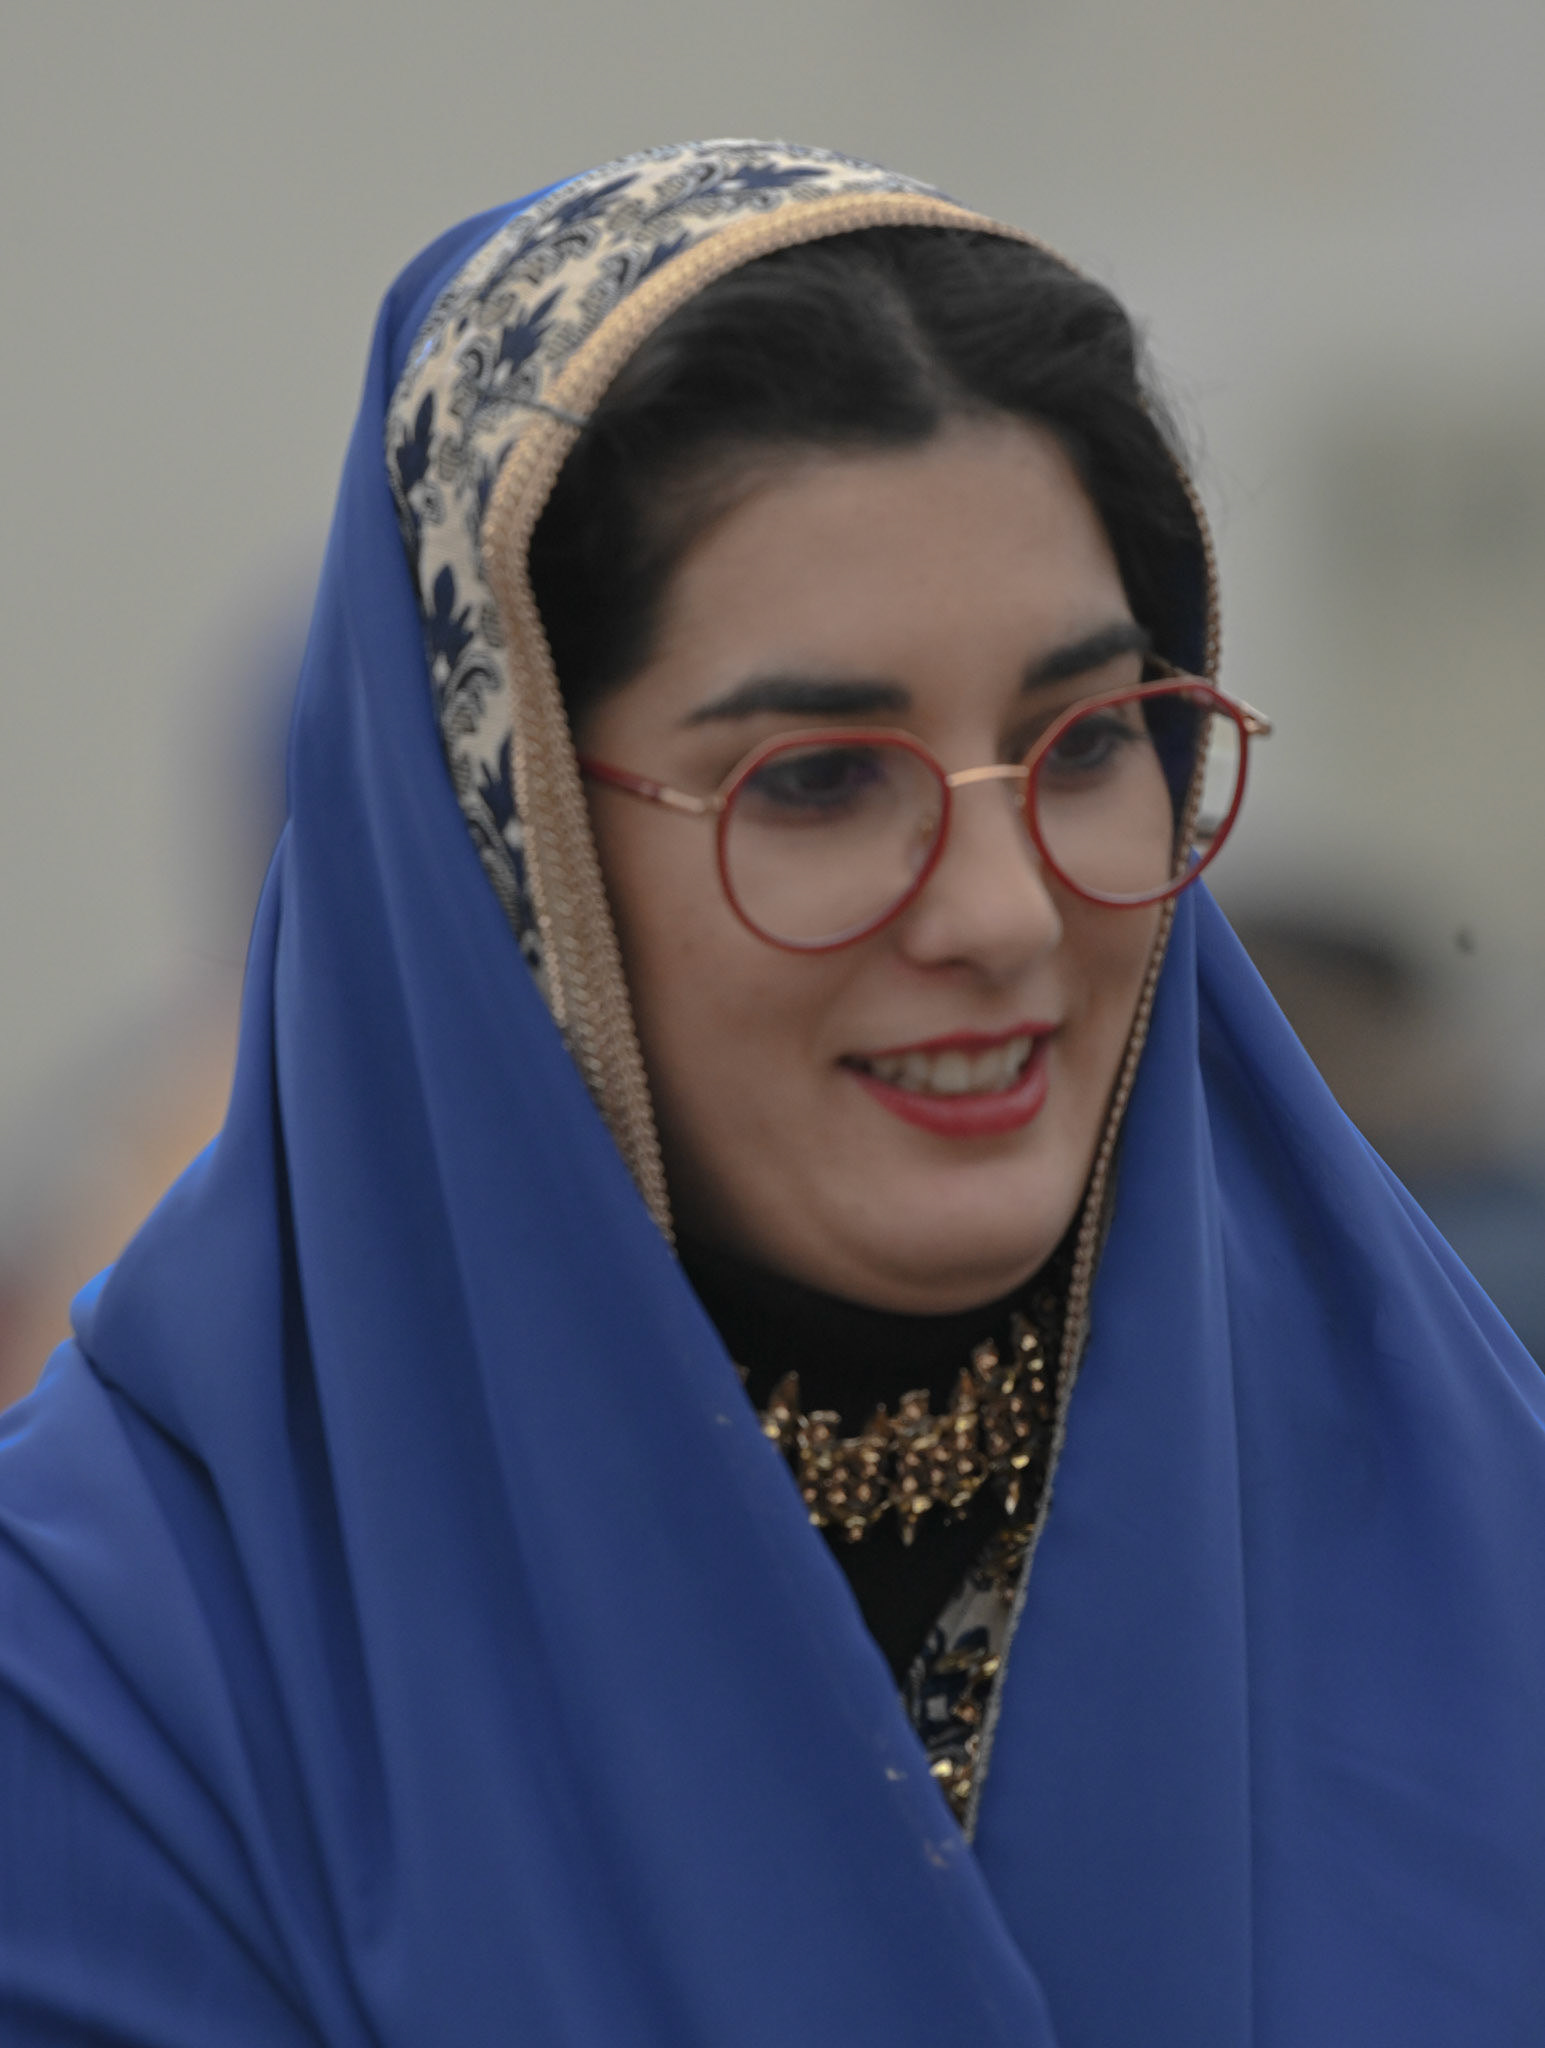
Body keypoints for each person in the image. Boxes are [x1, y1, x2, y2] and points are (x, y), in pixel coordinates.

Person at [1, 140, 1541, 2046]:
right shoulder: (120, 1678)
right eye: (814, 781)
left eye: (1084, 743)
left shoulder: (1456, 1530)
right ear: (506, 860)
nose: (1001, 913)